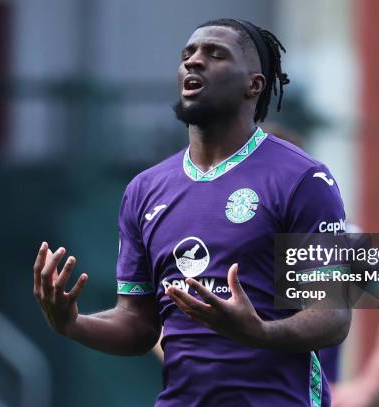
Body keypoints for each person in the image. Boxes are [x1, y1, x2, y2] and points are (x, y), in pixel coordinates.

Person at [33, 18, 351, 406]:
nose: (193, 62)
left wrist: (260, 333)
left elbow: (332, 316)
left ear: (254, 84)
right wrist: (73, 324)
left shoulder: (302, 179)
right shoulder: (145, 190)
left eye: (215, 54)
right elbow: (138, 325)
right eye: (188, 55)